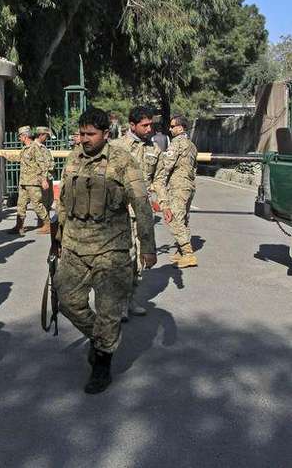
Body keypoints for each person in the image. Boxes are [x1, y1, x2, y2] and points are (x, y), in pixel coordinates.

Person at [53, 107, 156, 394]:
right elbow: (63, 203)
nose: (84, 139)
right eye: (81, 133)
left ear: (105, 134)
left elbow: (141, 203)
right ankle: (101, 340)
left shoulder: (123, 160)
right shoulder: (74, 157)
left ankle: (101, 365)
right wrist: (58, 239)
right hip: (74, 246)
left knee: (109, 311)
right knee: (66, 300)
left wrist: (148, 246)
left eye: (90, 134)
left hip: (111, 248)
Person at [112, 108, 168, 318]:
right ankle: (118, 302)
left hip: (142, 213)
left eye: (150, 125)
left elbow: (159, 180)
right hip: (119, 212)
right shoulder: (116, 147)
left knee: (138, 259)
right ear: (132, 125)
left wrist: (165, 203)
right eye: (144, 125)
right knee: (124, 257)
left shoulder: (154, 149)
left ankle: (129, 299)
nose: (149, 128)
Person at [160, 114, 198, 268]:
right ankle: (180, 251)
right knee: (183, 219)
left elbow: (167, 165)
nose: (169, 129)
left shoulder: (176, 143)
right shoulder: (191, 145)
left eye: (172, 126)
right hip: (189, 185)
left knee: (174, 219)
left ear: (180, 128)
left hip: (178, 186)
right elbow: (195, 168)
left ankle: (188, 254)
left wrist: (157, 182)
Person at [10, 126, 52, 235]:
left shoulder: (35, 147)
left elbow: (42, 164)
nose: (19, 138)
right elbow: (18, 158)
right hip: (24, 182)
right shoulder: (25, 148)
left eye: (19, 136)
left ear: (24, 136)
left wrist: (44, 180)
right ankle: (19, 226)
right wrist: (4, 155)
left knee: (37, 204)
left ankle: (48, 225)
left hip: (33, 182)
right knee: (21, 204)